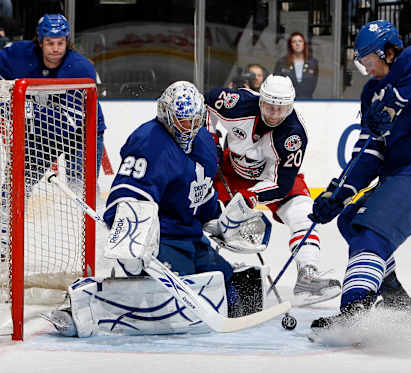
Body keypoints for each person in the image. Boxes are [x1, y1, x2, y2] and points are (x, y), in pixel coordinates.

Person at [42, 81, 269, 337]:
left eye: (196, 120)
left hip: (191, 235)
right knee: (177, 287)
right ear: (167, 115)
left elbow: (202, 193)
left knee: (223, 275)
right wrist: (131, 234)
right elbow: (127, 193)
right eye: (184, 121)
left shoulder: (204, 141)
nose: (190, 128)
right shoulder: (149, 141)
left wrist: (217, 220)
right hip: (161, 238)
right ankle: (84, 305)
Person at [309, 20, 411, 331]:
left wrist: (397, 96)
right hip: (401, 177)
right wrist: (338, 193)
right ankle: (394, 297)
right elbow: (370, 153)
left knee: (370, 228)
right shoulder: (372, 94)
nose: (366, 70)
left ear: (388, 52)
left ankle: (355, 309)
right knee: (350, 220)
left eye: (368, 61)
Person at [205, 74, 341, 305]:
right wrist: (210, 139)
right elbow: (206, 103)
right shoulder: (237, 103)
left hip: (270, 177)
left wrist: (252, 197)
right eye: (270, 106)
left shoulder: (294, 134)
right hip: (230, 170)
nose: (275, 114)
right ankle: (193, 262)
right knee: (198, 200)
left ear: (291, 106)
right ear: (261, 101)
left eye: (282, 108)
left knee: (303, 212)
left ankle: (307, 273)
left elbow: (282, 183)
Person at [0, 14, 106, 176]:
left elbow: (70, 121)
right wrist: (6, 107)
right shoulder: (20, 55)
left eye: (60, 43)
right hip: (43, 132)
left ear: (67, 42)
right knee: (15, 184)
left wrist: (26, 113)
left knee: (80, 187)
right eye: (50, 42)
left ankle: (92, 202)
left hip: (83, 133)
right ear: (40, 41)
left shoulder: (80, 68)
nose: (56, 49)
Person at [274, 32, 319, 99]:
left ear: (304, 44)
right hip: (287, 101)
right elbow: (277, 84)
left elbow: (313, 85)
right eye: (294, 41)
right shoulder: (282, 62)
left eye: (300, 41)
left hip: (307, 101)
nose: (297, 44)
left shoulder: (313, 63)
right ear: (290, 45)